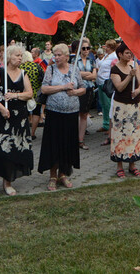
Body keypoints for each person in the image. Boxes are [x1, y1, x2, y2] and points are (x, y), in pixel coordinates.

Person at [0, 45, 33, 197]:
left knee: (13, 149)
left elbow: (29, 93)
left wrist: (15, 95)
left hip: (18, 118)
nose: (19, 58)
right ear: (9, 56)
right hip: (0, 117)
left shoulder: (23, 73)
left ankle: (8, 182)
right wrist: (1, 109)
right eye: (17, 55)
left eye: (21, 55)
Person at [38, 43, 85, 191]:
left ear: (66, 56)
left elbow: (83, 88)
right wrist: (63, 87)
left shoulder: (74, 69)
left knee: (67, 144)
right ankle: (53, 176)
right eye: (55, 55)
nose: (56, 57)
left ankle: (63, 174)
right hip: (54, 113)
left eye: (59, 55)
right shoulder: (51, 69)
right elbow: (44, 88)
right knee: (54, 145)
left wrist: (75, 92)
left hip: (71, 113)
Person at [110, 41, 140, 177]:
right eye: (127, 53)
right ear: (120, 54)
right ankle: (119, 165)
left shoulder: (133, 65)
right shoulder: (115, 69)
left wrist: (137, 91)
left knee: (134, 135)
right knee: (120, 135)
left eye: (131, 53)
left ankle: (132, 164)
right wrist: (130, 76)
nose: (130, 55)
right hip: (121, 107)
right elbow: (119, 87)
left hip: (134, 106)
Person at [73, 38, 96, 150]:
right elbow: (74, 73)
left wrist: (83, 74)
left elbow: (94, 76)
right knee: (75, 113)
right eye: (84, 48)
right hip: (78, 89)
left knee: (84, 114)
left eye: (88, 48)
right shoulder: (74, 60)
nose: (86, 50)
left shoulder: (91, 60)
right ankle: (74, 138)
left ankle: (80, 140)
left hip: (89, 89)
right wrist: (88, 74)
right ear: (79, 49)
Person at [95, 39, 119, 135]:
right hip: (100, 81)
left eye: (107, 47)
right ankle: (105, 124)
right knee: (103, 104)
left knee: (108, 104)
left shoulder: (114, 56)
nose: (105, 48)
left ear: (111, 47)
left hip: (107, 82)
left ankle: (110, 125)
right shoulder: (106, 55)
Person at [20, 49, 44, 140]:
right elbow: (42, 78)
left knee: (24, 113)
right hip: (36, 93)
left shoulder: (20, 67)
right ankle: (32, 133)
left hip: (24, 93)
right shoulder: (37, 66)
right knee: (36, 113)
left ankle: (24, 132)